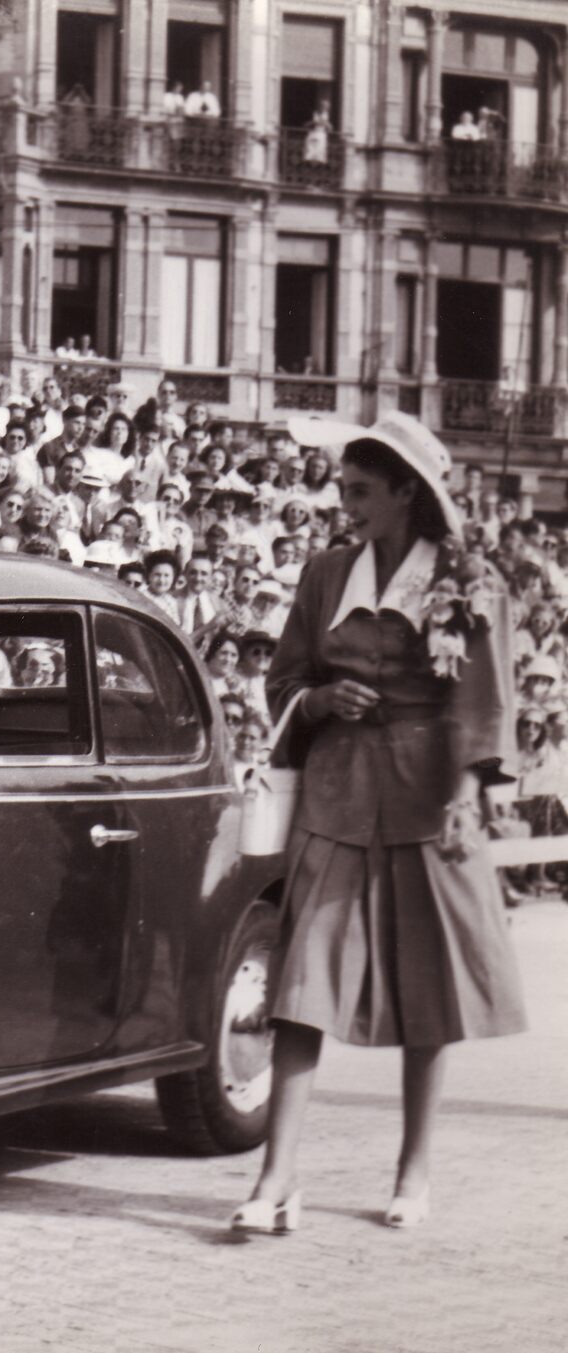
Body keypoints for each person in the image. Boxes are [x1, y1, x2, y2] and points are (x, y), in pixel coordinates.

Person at [233, 414, 526, 1236]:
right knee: (300, 989)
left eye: (361, 491)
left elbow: (485, 702)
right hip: (335, 797)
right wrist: (320, 700)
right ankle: (276, 1178)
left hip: (431, 804)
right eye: (343, 489)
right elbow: (284, 680)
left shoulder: (470, 580)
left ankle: (414, 1170)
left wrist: (465, 796)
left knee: (428, 993)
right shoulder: (326, 573)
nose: (347, 504)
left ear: (407, 491)